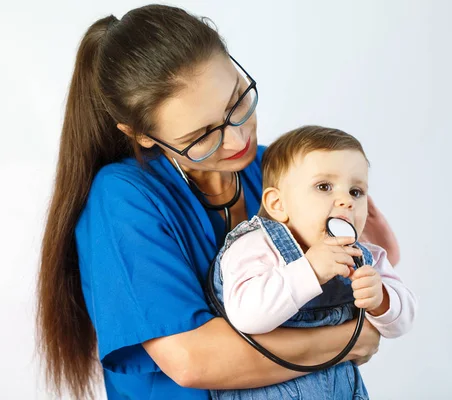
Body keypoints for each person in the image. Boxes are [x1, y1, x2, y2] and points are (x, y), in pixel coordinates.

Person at [36, 4, 400, 399]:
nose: (237, 137)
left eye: (236, 102)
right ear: (141, 134)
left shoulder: (276, 170)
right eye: (202, 136)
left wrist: (374, 254)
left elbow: (356, 281)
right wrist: (348, 341)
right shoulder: (123, 199)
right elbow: (194, 359)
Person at [209, 126, 417, 399]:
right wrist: (310, 271)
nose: (345, 201)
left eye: (356, 191)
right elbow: (246, 316)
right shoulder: (255, 245)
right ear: (278, 204)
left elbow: (402, 322)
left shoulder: (365, 256)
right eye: (324, 187)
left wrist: (383, 300)